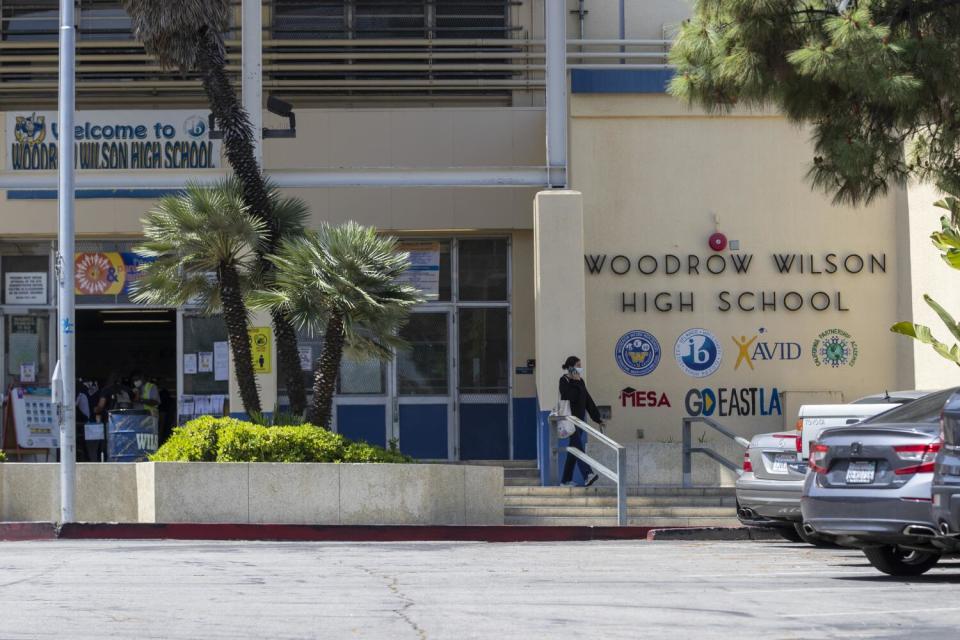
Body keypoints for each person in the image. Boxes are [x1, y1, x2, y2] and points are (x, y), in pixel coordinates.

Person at [559, 355, 603, 487]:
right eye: (578, 365)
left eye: (580, 365)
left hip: (580, 421)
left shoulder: (580, 381)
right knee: (577, 448)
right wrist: (575, 382)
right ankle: (587, 474)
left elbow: (587, 400)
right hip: (570, 420)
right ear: (570, 367)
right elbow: (568, 396)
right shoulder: (564, 380)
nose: (580, 368)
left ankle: (565, 481)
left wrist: (597, 418)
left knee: (573, 451)